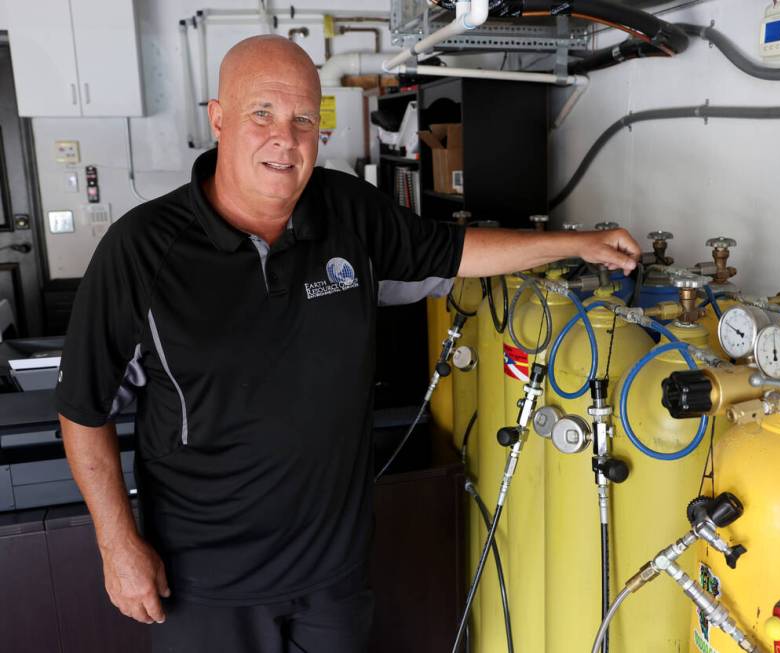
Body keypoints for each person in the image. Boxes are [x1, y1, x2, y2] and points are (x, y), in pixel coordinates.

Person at [56, 35, 640, 653]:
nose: (286, 138)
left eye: (304, 119)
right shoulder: (140, 250)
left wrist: (578, 243)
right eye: (262, 114)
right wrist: (117, 546)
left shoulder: (347, 212)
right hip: (204, 583)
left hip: (332, 576)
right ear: (219, 118)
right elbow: (82, 409)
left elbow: (452, 251)